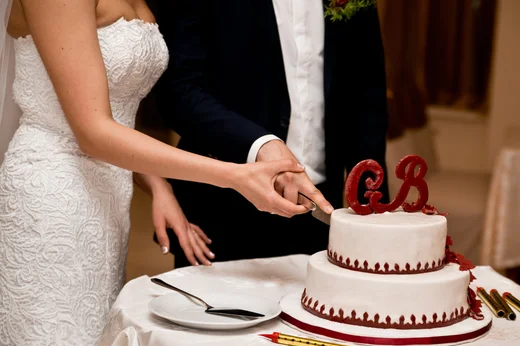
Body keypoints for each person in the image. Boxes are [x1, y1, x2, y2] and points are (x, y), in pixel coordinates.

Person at [0, 0, 316, 346]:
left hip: (106, 199)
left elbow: (112, 113)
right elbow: (92, 131)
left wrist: (160, 187)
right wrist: (234, 176)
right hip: (52, 202)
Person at [155, 0, 389, 267]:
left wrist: (374, 211)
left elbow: (367, 98)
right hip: (222, 214)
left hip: (322, 214)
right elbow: (178, 91)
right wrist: (260, 145)